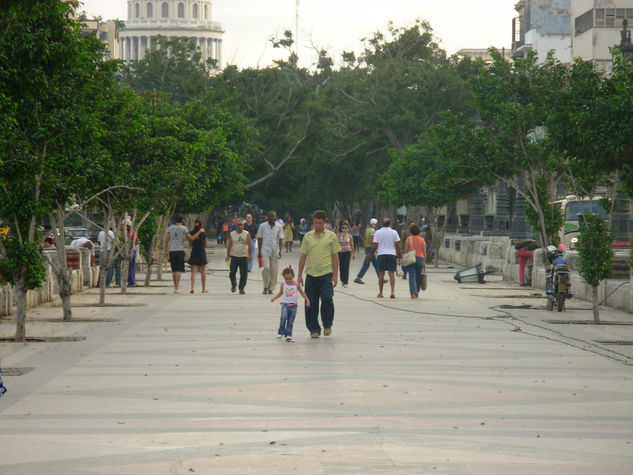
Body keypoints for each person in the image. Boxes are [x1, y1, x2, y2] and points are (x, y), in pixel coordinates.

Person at [297, 210, 341, 338]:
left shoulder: (331, 236)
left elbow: (335, 256)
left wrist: (335, 275)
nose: (318, 226)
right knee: (310, 302)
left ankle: (327, 324)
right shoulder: (307, 237)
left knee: (327, 298)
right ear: (313, 223)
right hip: (311, 273)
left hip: (326, 272)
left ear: (325, 222)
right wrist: (299, 275)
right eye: (316, 223)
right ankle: (314, 329)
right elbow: (303, 256)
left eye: (320, 223)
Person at [271, 266, 310, 342]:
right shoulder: (283, 284)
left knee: (291, 321)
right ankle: (281, 332)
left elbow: (302, 293)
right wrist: (274, 298)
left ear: (293, 276)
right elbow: (280, 293)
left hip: (294, 306)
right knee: (283, 317)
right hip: (285, 305)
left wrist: (307, 300)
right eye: (286, 279)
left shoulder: (296, 285)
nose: (288, 281)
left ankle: (288, 334)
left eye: (290, 279)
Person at [165, 215, 204, 293]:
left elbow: (166, 240)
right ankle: (177, 288)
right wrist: (199, 232)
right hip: (180, 250)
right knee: (179, 269)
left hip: (172, 251)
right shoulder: (183, 228)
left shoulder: (170, 228)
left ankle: (175, 287)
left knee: (174, 270)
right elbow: (192, 238)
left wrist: (166, 251)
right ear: (182, 220)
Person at [366, 218, 401, 298]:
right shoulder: (394, 232)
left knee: (381, 273)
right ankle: (392, 292)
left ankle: (381, 293)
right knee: (391, 273)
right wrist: (399, 256)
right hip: (392, 254)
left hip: (381, 254)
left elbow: (375, 246)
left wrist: (370, 254)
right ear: (390, 224)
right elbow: (397, 245)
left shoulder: (378, 232)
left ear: (382, 224)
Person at [257, 211, 284, 294]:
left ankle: (271, 288)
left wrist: (280, 251)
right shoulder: (262, 226)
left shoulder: (279, 226)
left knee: (274, 270)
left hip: (275, 251)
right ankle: (265, 286)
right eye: (270, 216)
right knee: (266, 267)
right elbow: (260, 238)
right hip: (265, 250)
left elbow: (280, 239)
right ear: (267, 217)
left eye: (273, 216)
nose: (271, 218)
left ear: (275, 217)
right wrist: (259, 251)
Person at [226, 218, 251, 294]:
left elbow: (249, 245)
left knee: (244, 274)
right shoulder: (232, 234)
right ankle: (234, 284)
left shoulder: (246, 234)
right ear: (236, 226)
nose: (240, 226)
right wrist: (228, 255)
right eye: (238, 225)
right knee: (232, 272)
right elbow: (229, 245)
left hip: (244, 256)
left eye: (241, 225)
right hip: (234, 256)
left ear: (243, 226)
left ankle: (241, 288)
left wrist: (249, 255)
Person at [402, 225, 426, 298]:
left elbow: (406, 249)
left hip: (411, 258)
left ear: (411, 231)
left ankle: (413, 293)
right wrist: (424, 262)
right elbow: (424, 252)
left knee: (412, 276)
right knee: (418, 277)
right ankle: (417, 292)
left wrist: (404, 258)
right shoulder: (422, 240)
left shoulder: (409, 239)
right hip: (420, 259)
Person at [354, 218, 379, 284]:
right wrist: (376, 245)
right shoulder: (373, 231)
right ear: (373, 224)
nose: (375, 225)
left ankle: (380, 278)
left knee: (370, 264)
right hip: (371, 249)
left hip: (368, 248)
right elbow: (371, 241)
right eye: (375, 224)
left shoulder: (367, 230)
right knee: (372, 264)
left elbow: (364, 239)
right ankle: (358, 278)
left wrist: (365, 248)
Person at [188, 219, 208, 293]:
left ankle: (192, 288)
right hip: (202, 252)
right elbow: (206, 244)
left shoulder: (191, 233)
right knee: (203, 271)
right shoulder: (203, 233)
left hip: (194, 252)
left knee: (194, 271)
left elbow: (190, 244)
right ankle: (203, 289)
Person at [337, 221, 356, 287]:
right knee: (341, 267)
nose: (344, 229)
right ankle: (342, 280)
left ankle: (345, 282)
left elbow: (352, 245)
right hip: (340, 252)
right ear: (341, 228)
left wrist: (354, 253)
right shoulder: (339, 235)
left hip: (348, 252)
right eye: (343, 228)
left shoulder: (350, 236)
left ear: (347, 229)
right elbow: (336, 244)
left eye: (345, 228)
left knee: (346, 267)